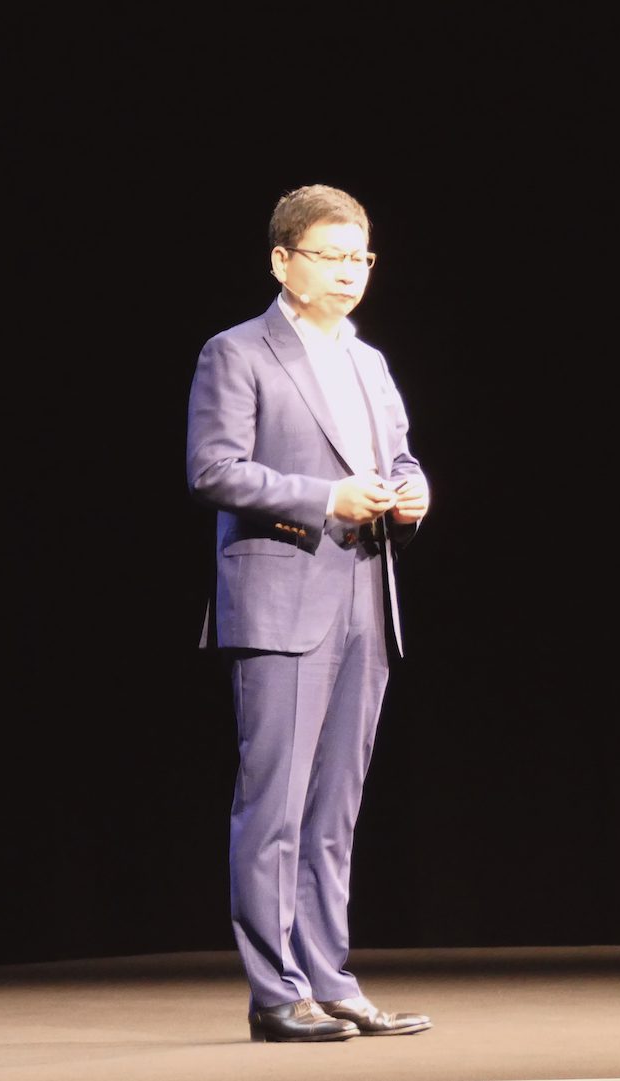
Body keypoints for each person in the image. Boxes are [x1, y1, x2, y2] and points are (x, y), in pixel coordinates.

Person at [185, 184, 432, 1043]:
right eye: (330, 255)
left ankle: (331, 978)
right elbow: (214, 469)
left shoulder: (370, 361)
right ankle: (274, 991)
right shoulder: (237, 352)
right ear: (282, 261)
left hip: (366, 592)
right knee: (276, 808)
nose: (350, 272)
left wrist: (413, 490)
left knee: (334, 811)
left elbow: (399, 455)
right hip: (283, 598)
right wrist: (325, 497)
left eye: (361, 257)